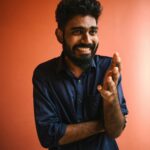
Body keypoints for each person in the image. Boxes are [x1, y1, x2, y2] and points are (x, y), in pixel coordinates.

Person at [32, 0, 128, 150]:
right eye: (77, 31)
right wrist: (103, 124)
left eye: (93, 31)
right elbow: (48, 135)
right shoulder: (44, 74)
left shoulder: (108, 69)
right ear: (60, 35)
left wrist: (111, 99)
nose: (87, 40)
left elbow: (115, 130)